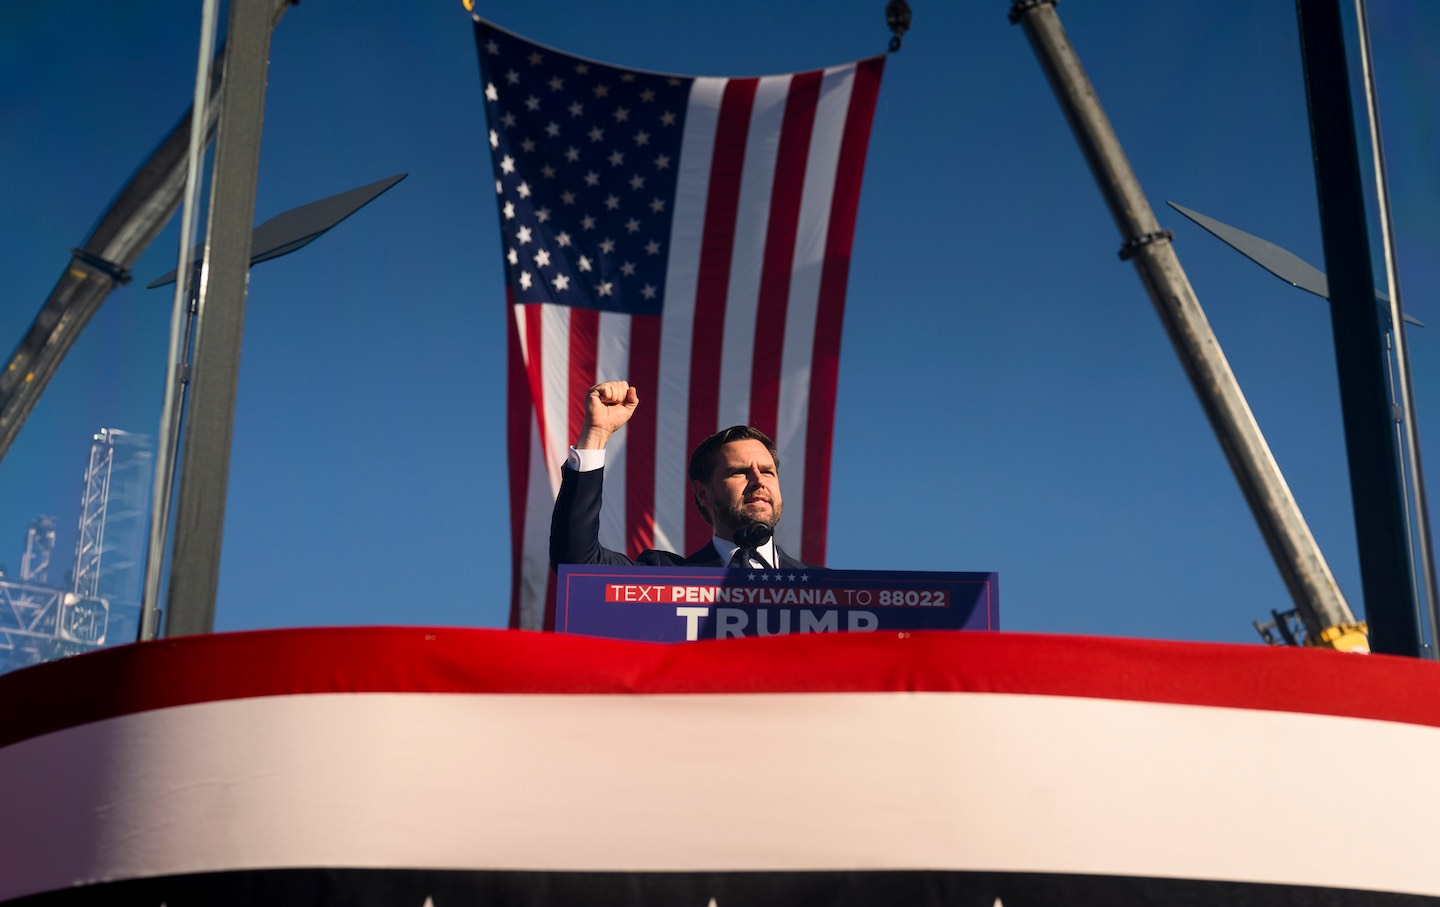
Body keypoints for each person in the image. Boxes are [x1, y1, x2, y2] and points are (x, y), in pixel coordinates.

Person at [550, 380, 809, 569]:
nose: (758, 481)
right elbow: (576, 563)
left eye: (767, 471)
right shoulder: (665, 578)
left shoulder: (832, 592)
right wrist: (596, 434)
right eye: (739, 472)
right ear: (702, 492)